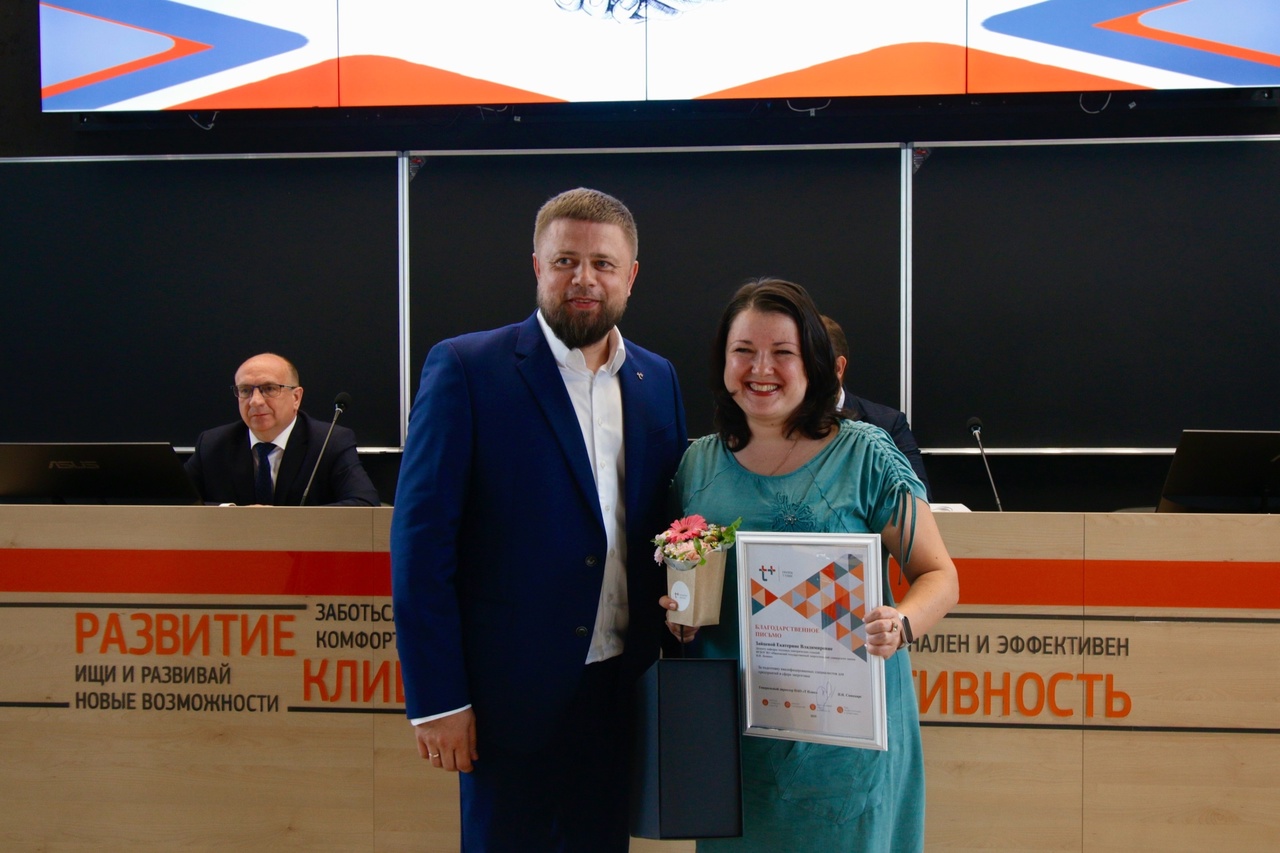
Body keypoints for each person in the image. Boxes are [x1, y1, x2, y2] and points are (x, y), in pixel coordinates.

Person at [390, 187, 687, 852]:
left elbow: (667, 527)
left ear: (631, 275)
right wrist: (438, 699)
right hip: (508, 700)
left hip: (622, 690)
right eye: (565, 261)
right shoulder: (467, 368)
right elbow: (420, 548)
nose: (584, 278)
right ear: (536, 267)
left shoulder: (657, 379)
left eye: (603, 263)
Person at [662, 278, 959, 852]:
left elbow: (939, 575)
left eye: (783, 352)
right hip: (733, 742)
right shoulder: (697, 465)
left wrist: (901, 623)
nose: (760, 368)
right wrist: (679, 617)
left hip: (845, 744)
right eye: (743, 350)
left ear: (815, 363)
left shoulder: (866, 453)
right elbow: (682, 580)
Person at [184, 353, 379, 507]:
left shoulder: (329, 442)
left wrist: (284, 521)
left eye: (269, 388)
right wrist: (231, 511)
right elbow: (176, 501)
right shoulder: (213, 444)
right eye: (245, 390)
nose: (255, 401)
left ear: (296, 397)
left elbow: (364, 503)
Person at [821, 314, 932, 498]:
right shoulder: (777, 424)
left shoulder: (888, 424)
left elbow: (917, 499)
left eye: (811, 365)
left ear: (838, 368)